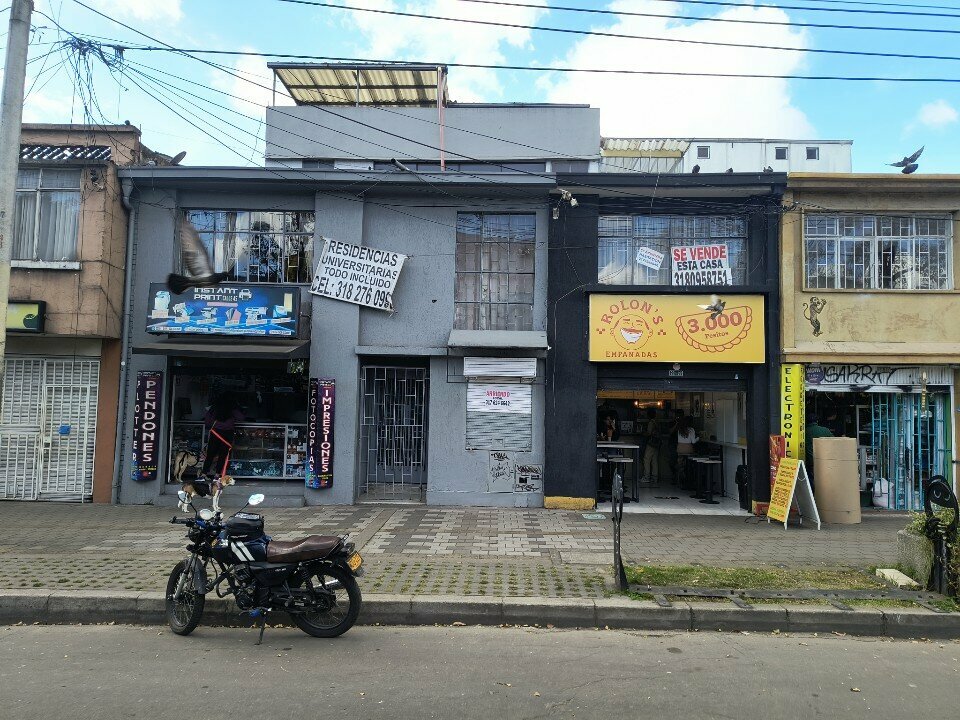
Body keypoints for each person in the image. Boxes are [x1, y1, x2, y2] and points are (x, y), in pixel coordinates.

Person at [201, 392, 245, 479]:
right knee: (223, 455)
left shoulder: (214, 408)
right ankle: (217, 475)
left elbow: (207, 421)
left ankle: (203, 474)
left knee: (210, 454)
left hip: (216, 433)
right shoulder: (233, 409)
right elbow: (241, 417)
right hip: (227, 434)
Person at [805, 412, 833, 489]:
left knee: (810, 478)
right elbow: (833, 442)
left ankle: (812, 494)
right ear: (817, 421)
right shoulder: (825, 430)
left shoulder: (804, 432)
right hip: (823, 460)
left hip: (809, 459)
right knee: (822, 478)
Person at [641, 407, 660, 483]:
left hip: (651, 443)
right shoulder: (657, 422)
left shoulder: (651, 423)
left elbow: (649, 433)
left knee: (646, 459)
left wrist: (643, 433)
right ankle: (655, 477)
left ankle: (646, 477)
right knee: (654, 460)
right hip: (657, 443)